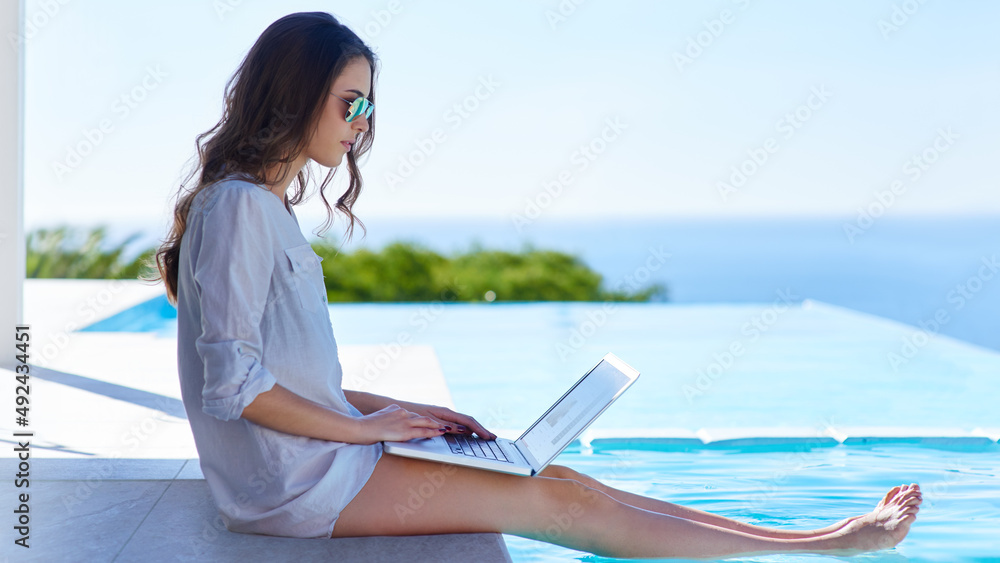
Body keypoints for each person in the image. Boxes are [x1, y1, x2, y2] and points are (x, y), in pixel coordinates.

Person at [151, 11, 921, 559]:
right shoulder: (240, 208)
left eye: (369, 105)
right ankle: (830, 544)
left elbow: (281, 376)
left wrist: (390, 409)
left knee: (558, 475)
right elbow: (235, 386)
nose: (362, 122)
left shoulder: (258, 208)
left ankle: (820, 540)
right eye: (350, 101)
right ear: (295, 91)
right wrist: (370, 429)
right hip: (290, 488)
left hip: (315, 461)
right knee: (556, 502)